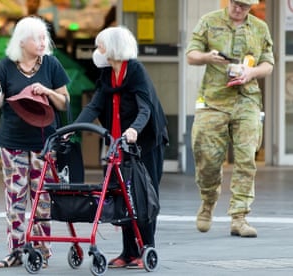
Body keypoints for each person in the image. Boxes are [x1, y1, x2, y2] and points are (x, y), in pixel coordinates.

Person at [74, 26, 168, 269]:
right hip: (119, 144)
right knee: (122, 196)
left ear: (113, 48)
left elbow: (145, 106)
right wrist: (72, 129)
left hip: (145, 144)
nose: (98, 51)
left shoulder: (135, 70)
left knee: (143, 197)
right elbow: (94, 106)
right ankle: (128, 252)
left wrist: (135, 129)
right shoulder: (107, 73)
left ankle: (146, 248)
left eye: (100, 46)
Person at [0, 16, 70, 268]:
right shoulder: (5, 66)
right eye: (37, 38)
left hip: (44, 143)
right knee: (15, 198)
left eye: (45, 37)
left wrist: (48, 91)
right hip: (12, 141)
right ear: (22, 41)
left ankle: (43, 251)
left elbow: (65, 102)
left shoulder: (52, 65)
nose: (43, 42)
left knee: (42, 199)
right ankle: (16, 250)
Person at [186, 0, 274, 238]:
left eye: (244, 6)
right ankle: (208, 201)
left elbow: (268, 63)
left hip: (247, 100)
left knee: (246, 158)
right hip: (213, 100)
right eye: (236, 3)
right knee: (207, 158)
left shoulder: (259, 27)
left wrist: (251, 73)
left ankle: (239, 217)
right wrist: (208, 57)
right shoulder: (209, 21)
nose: (239, 9)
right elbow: (191, 55)